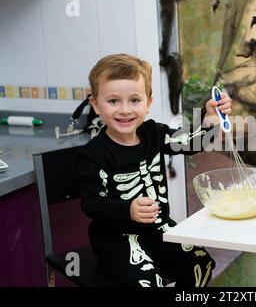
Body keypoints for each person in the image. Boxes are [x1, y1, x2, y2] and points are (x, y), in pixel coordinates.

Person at [77, 53, 232, 287]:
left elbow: (192, 142)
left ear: (148, 103)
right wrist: (127, 209)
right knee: (149, 283)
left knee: (201, 263)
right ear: (96, 105)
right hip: (116, 238)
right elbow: (91, 203)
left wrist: (211, 118)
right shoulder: (93, 154)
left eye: (134, 100)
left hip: (158, 228)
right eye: (113, 101)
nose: (125, 110)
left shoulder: (154, 134)